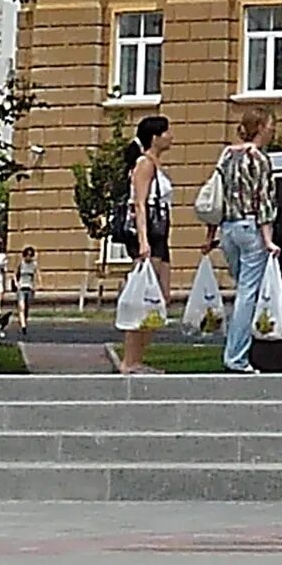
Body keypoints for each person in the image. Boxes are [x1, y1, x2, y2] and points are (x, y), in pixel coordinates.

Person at [212, 109, 278, 374]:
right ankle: (236, 356)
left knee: (242, 291)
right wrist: (269, 240)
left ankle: (237, 349)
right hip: (250, 228)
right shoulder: (258, 159)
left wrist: (210, 236)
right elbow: (264, 202)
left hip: (227, 229)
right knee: (248, 295)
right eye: (271, 125)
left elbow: (214, 196)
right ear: (260, 127)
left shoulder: (227, 155)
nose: (273, 130)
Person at [116, 114, 175, 374]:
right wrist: (143, 241)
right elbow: (139, 203)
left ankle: (137, 358)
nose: (171, 136)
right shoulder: (144, 164)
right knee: (145, 297)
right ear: (155, 137)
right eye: (167, 132)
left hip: (160, 233)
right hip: (149, 233)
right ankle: (130, 360)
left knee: (161, 296)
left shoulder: (154, 164)